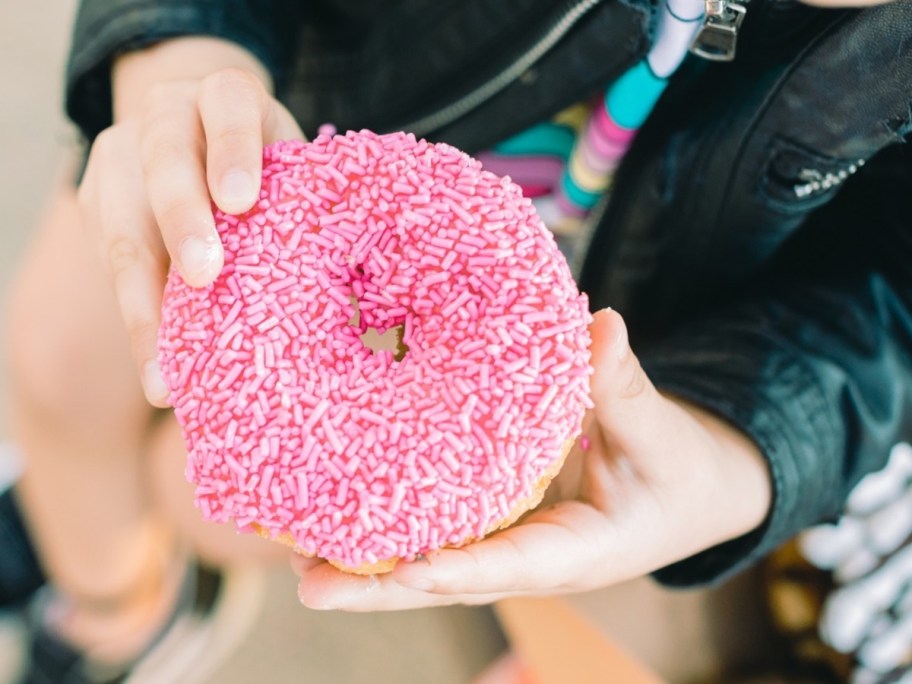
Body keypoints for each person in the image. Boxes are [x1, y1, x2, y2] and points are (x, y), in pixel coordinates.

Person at [2, 0, 910, 680]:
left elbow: (891, 297)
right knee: (55, 367)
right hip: (265, 130)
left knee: (189, 490)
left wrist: (740, 455)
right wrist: (176, 45)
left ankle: (125, 609)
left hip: (603, 348)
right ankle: (108, 598)